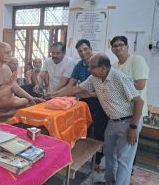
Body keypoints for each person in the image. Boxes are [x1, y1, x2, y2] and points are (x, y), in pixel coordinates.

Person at [55, 54, 144, 185]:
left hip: (129, 122)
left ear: (103, 68)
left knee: (124, 160)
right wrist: (54, 95)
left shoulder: (120, 77)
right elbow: (76, 88)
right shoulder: (95, 78)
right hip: (113, 121)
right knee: (109, 154)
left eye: (92, 67)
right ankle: (110, 181)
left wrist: (133, 127)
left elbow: (139, 102)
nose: (89, 69)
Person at [47, 39, 108, 172]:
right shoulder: (79, 66)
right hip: (84, 102)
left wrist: (85, 93)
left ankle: (97, 161)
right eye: (80, 51)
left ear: (91, 49)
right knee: (83, 128)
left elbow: (102, 90)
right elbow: (71, 86)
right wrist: (53, 95)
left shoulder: (99, 64)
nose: (83, 52)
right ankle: (83, 158)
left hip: (101, 102)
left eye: (85, 49)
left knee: (99, 131)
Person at [111, 35, 149, 177]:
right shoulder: (114, 66)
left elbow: (140, 84)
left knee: (126, 158)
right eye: (115, 46)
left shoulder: (137, 60)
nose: (118, 48)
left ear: (128, 47)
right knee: (116, 154)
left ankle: (124, 178)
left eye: (121, 45)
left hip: (134, 114)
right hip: (119, 114)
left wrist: (118, 86)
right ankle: (116, 179)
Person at [0, 42, 43, 121]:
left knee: (30, 103)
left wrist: (32, 98)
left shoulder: (6, 68)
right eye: (7, 53)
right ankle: (2, 112)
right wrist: (9, 86)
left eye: (10, 52)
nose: (10, 55)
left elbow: (15, 88)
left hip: (7, 103)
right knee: (17, 101)